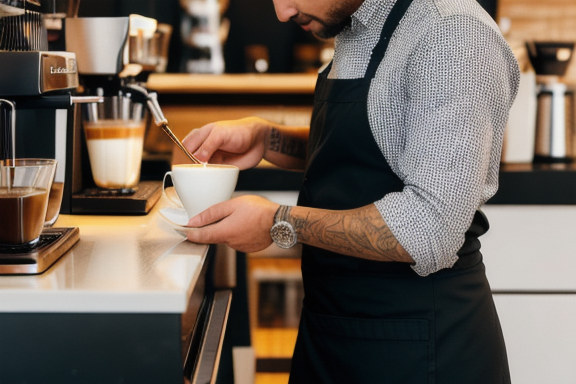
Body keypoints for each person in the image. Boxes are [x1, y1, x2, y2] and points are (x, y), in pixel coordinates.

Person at [181, 0, 520, 382]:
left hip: (417, 350)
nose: (282, 12)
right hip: (331, 336)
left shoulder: (451, 34)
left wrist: (278, 222)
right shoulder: (353, 24)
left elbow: (428, 230)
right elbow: (378, 143)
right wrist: (269, 139)